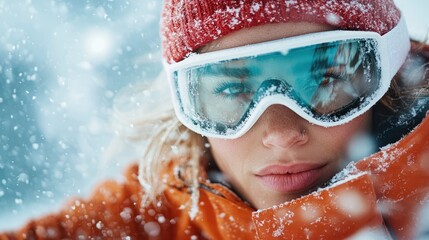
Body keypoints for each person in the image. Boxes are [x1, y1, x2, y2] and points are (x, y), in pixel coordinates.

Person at [2, 0, 429, 239]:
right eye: (230, 90)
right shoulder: (168, 211)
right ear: (189, 107)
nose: (280, 134)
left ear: (388, 77)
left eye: (325, 79)